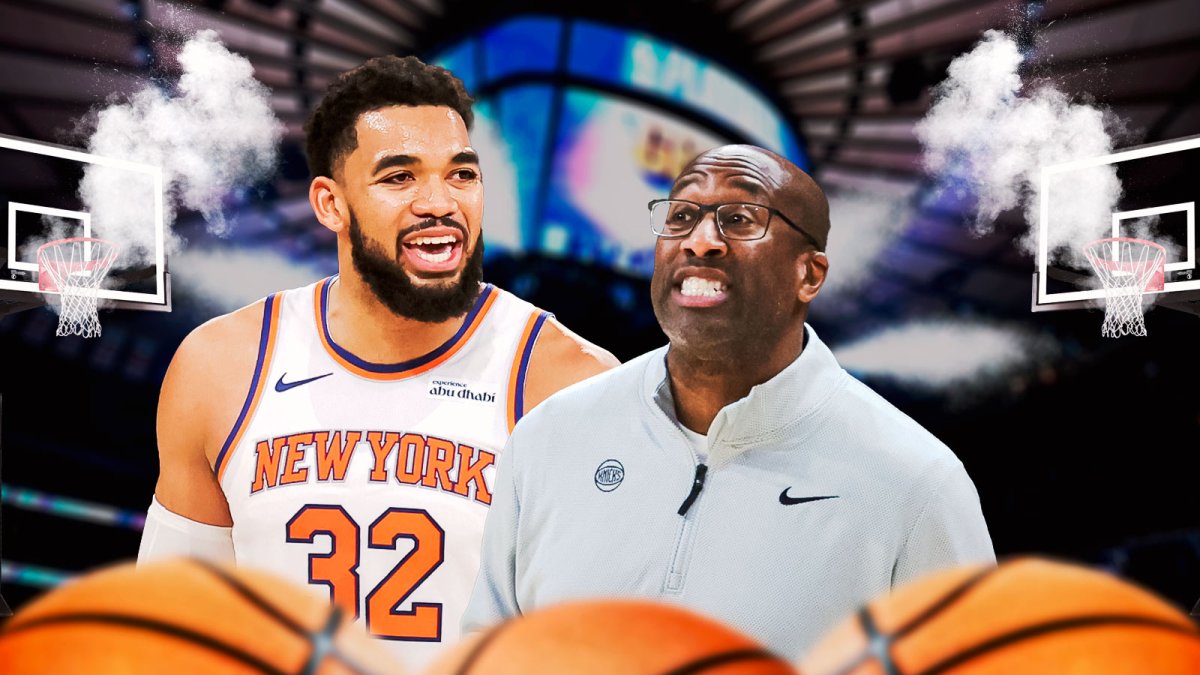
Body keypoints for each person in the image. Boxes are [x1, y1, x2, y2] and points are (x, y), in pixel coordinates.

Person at [137, 55, 618, 670]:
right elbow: (175, 628)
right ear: (330, 204)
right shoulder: (221, 367)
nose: (439, 203)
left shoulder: (569, 382)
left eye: (461, 175)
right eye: (399, 177)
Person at [462, 144, 995, 660]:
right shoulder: (550, 436)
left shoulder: (916, 483)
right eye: (682, 215)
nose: (700, 241)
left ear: (808, 274)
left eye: (740, 219)